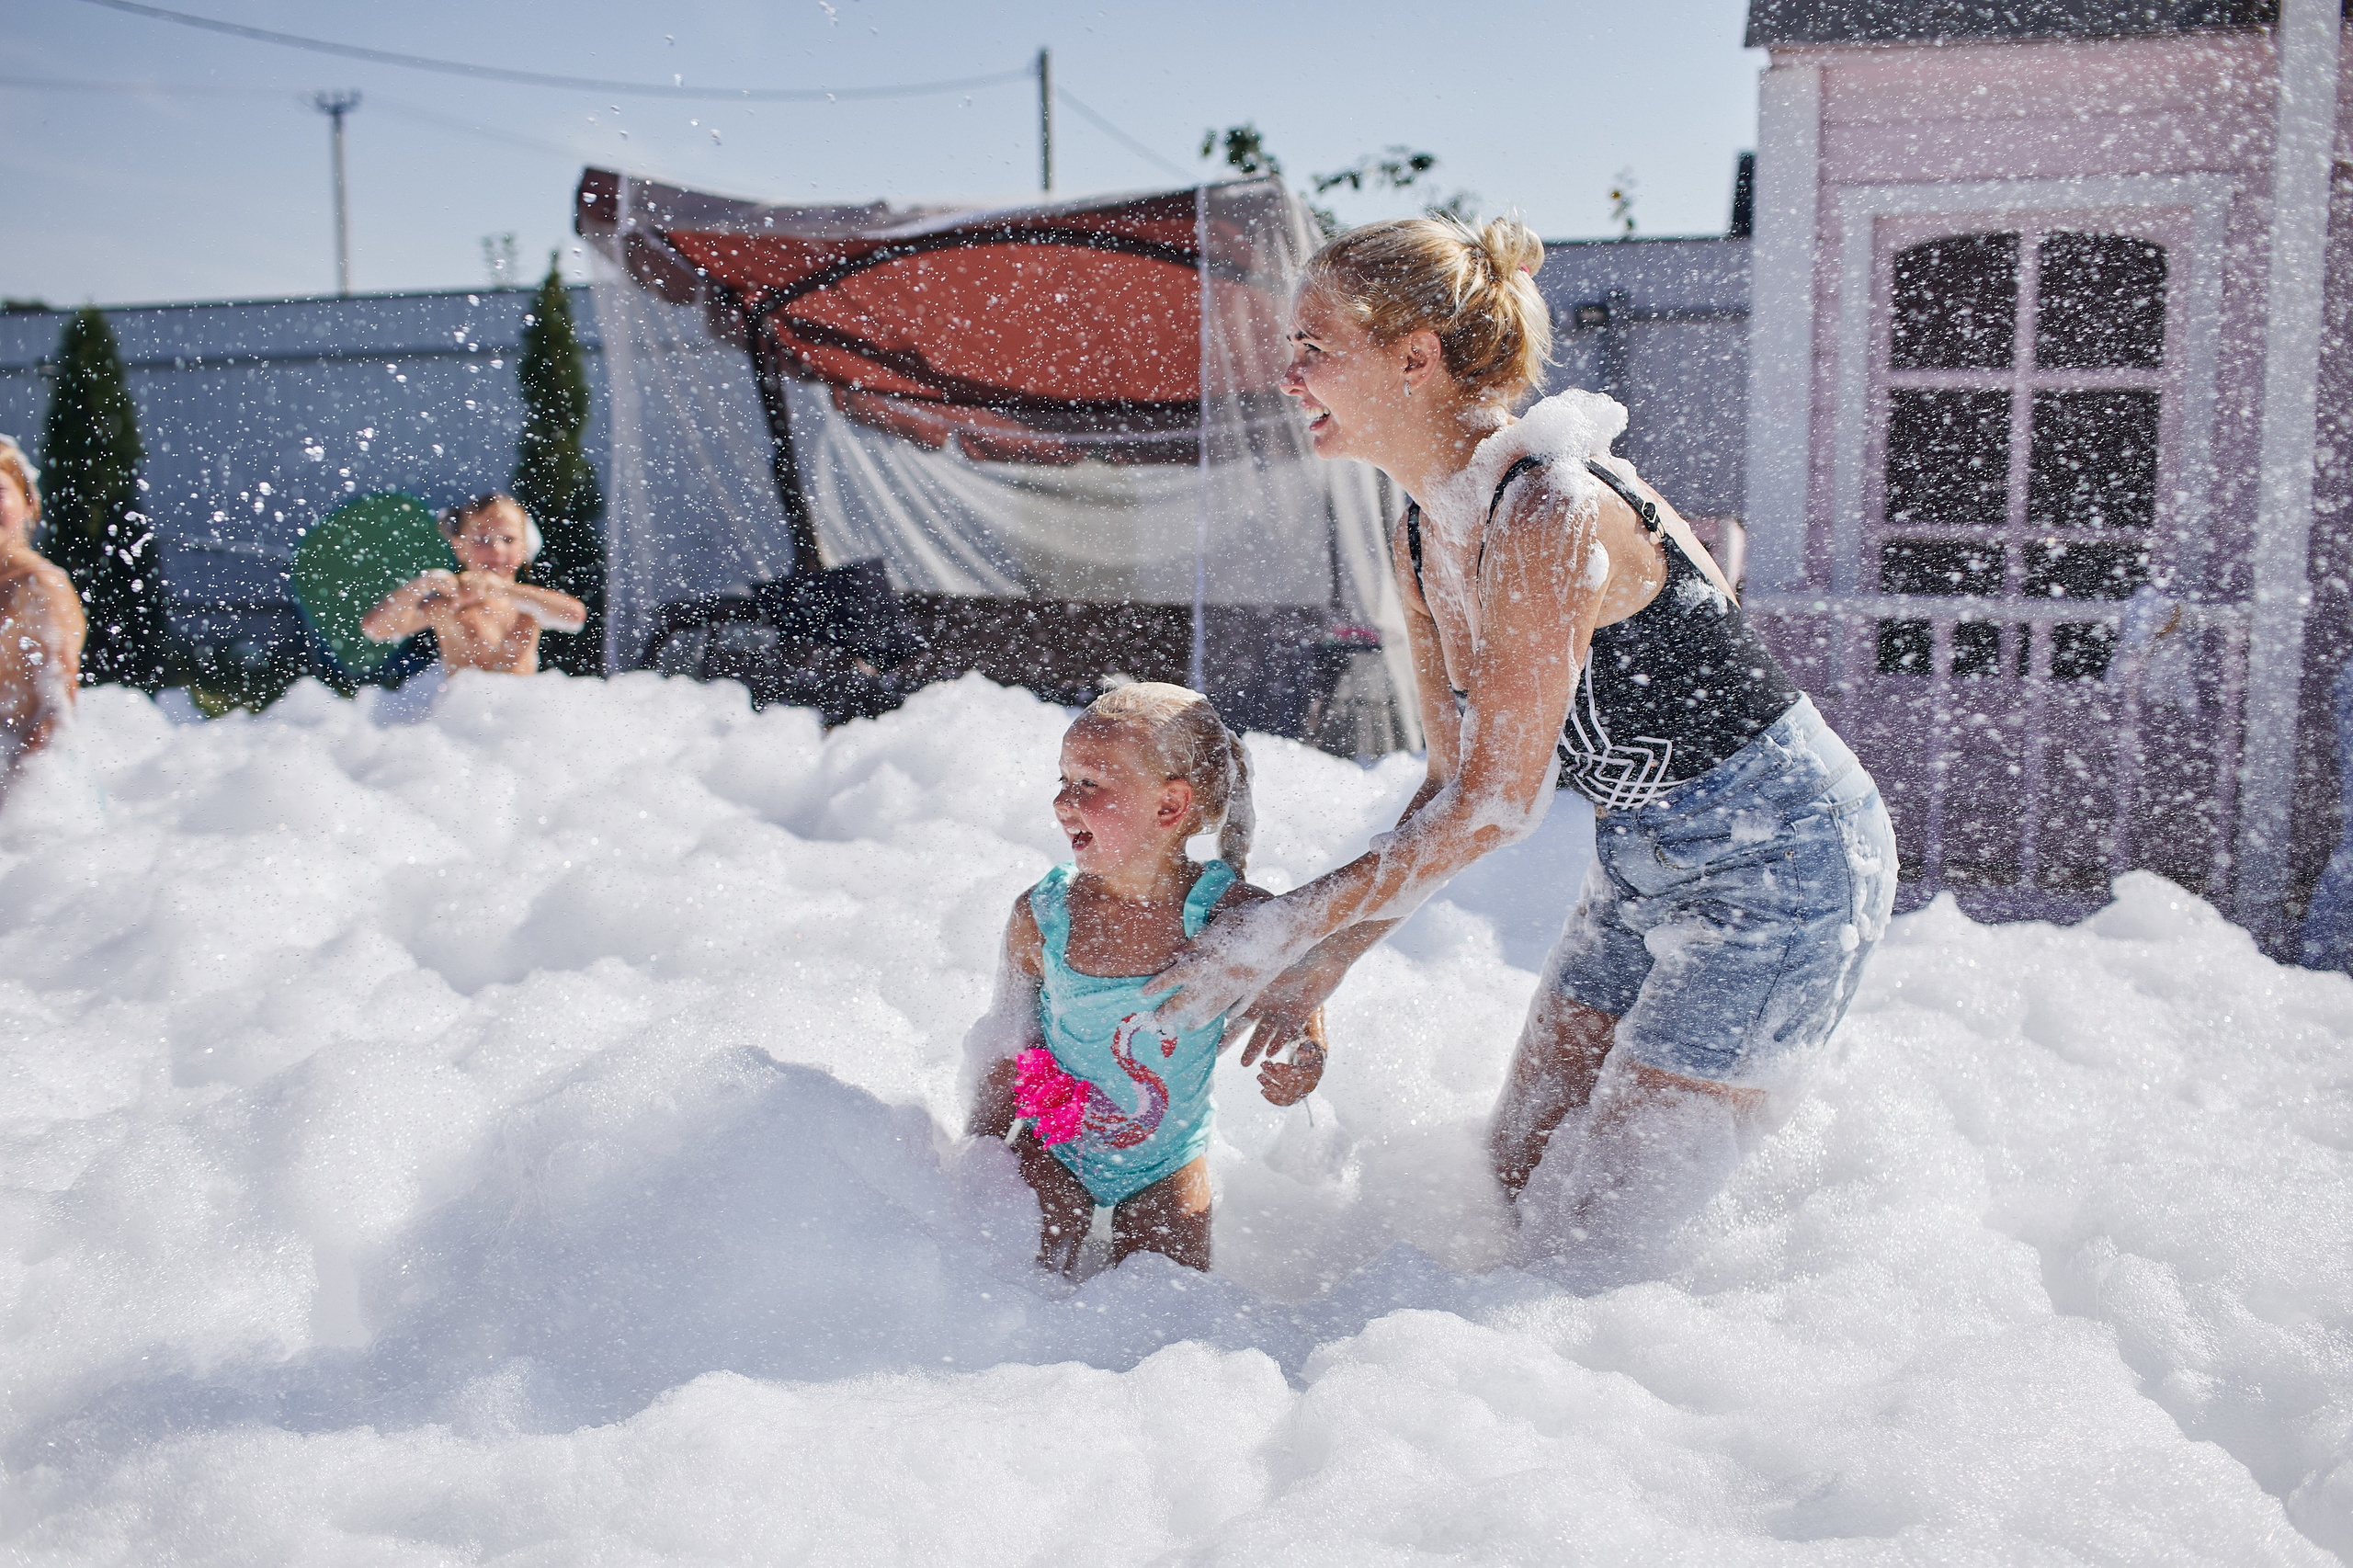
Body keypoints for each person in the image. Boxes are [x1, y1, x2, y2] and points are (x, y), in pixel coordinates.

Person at [1144, 216, 1898, 1270]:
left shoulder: (1550, 506)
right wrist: (1321, 962)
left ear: (1417, 357)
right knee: (1515, 1181)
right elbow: (1451, 786)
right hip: (1641, 868)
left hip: (1785, 869)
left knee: (1600, 1243)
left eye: (1316, 345)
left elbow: (1502, 805)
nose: (1288, 371)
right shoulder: (1418, 529)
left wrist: (1283, 928)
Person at [965, 683, 1327, 1274]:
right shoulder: (1045, 915)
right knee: (1010, 1285)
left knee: (1168, 1316)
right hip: (1052, 1147)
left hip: (1168, 1166)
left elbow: (1303, 983)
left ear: (1169, 806)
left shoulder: (1228, 915)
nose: (1063, 802)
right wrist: (975, 1161)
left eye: (1090, 784)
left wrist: (1306, 1052)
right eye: (1063, 780)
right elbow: (1007, 1043)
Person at [359, 493, 585, 680]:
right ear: (459, 547)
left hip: (518, 715)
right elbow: (375, 628)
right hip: (466, 720)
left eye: (508, 540)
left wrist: (505, 590)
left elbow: (575, 617)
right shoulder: (450, 602)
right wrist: (422, 585)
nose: (496, 550)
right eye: (482, 539)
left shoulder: (526, 602)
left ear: (525, 548)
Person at [0, 435, 85, 802]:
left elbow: (55, 716)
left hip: (33, 793)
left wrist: (14, 804)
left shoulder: (40, 586)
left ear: (28, 501)